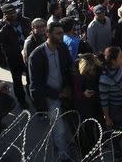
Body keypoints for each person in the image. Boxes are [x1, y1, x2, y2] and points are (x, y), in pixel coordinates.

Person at [28, 22, 76, 160]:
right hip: (50, 97)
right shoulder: (37, 56)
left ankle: (67, 145)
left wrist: (68, 86)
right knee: (58, 128)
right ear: (48, 34)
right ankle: (62, 155)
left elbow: (68, 68)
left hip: (65, 93)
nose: (62, 36)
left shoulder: (62, 48)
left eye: (62, 33)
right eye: (58, 33)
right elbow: (36, 85)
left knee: (69, 122)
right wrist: (58, 94)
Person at [0, 4, 31, 109]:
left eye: (13, 12)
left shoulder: (25, 20)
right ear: (4, 15)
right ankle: (22, 100)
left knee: (31, 77)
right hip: (14, 57)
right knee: (17, 80)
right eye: (8, 13)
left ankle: (32, 96)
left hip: (28, 54)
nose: (12, 15)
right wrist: (6, 26)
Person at [99, 46, 122, 160]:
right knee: (116, 132)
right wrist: (107, 117)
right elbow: (104, 100)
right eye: (120, 57)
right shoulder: (104, 79)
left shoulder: (119, 68)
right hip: (115, 108)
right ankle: (117, 151)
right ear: (113, 61)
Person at [73, 53, 103, 155]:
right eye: (89, 70)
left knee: (97, 124)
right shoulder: (78, 76)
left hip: (95, 103)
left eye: (92, 69)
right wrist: (83, 94)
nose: (91, 72)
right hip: (84, 105)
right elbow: (76, 93)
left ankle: (98, 146)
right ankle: (89, 150)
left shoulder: (98, 70)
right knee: (87, 128)